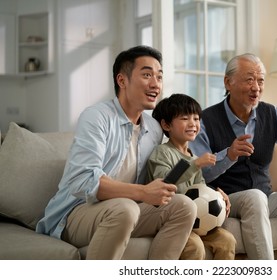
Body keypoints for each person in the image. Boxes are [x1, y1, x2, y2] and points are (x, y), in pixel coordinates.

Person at [36, 45, 197, 260]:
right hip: (77, 212)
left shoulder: (154, 128)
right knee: (125, 208)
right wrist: (141, 192)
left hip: (128, 209)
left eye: (159, 77)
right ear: (122, 81)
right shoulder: (97, 117)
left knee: (184, 206)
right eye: (147, 74)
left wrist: (210, 190)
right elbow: (82, 181)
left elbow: (166, 167)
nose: (155, 84)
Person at [189, 53, 277, 260]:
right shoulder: (205, 120)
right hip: (227, 199)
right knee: (255, 197)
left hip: (265, 197)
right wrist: (228, 155)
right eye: (249, 79)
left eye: (260, 80)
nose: (256, 87)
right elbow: (201, 172)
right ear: (228, 82)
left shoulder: (271, 114)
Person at [146, 93, 236, 260]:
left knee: (227, 240)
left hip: (197, 221)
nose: (193, 124)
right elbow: (165, 183)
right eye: (185, 118)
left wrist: (217, 195)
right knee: (195, 247)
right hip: (174, 221)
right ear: (166, 125)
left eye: (196, 119)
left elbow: (199, 190)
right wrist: (195, 165)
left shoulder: (194, 157)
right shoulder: (162, 153)